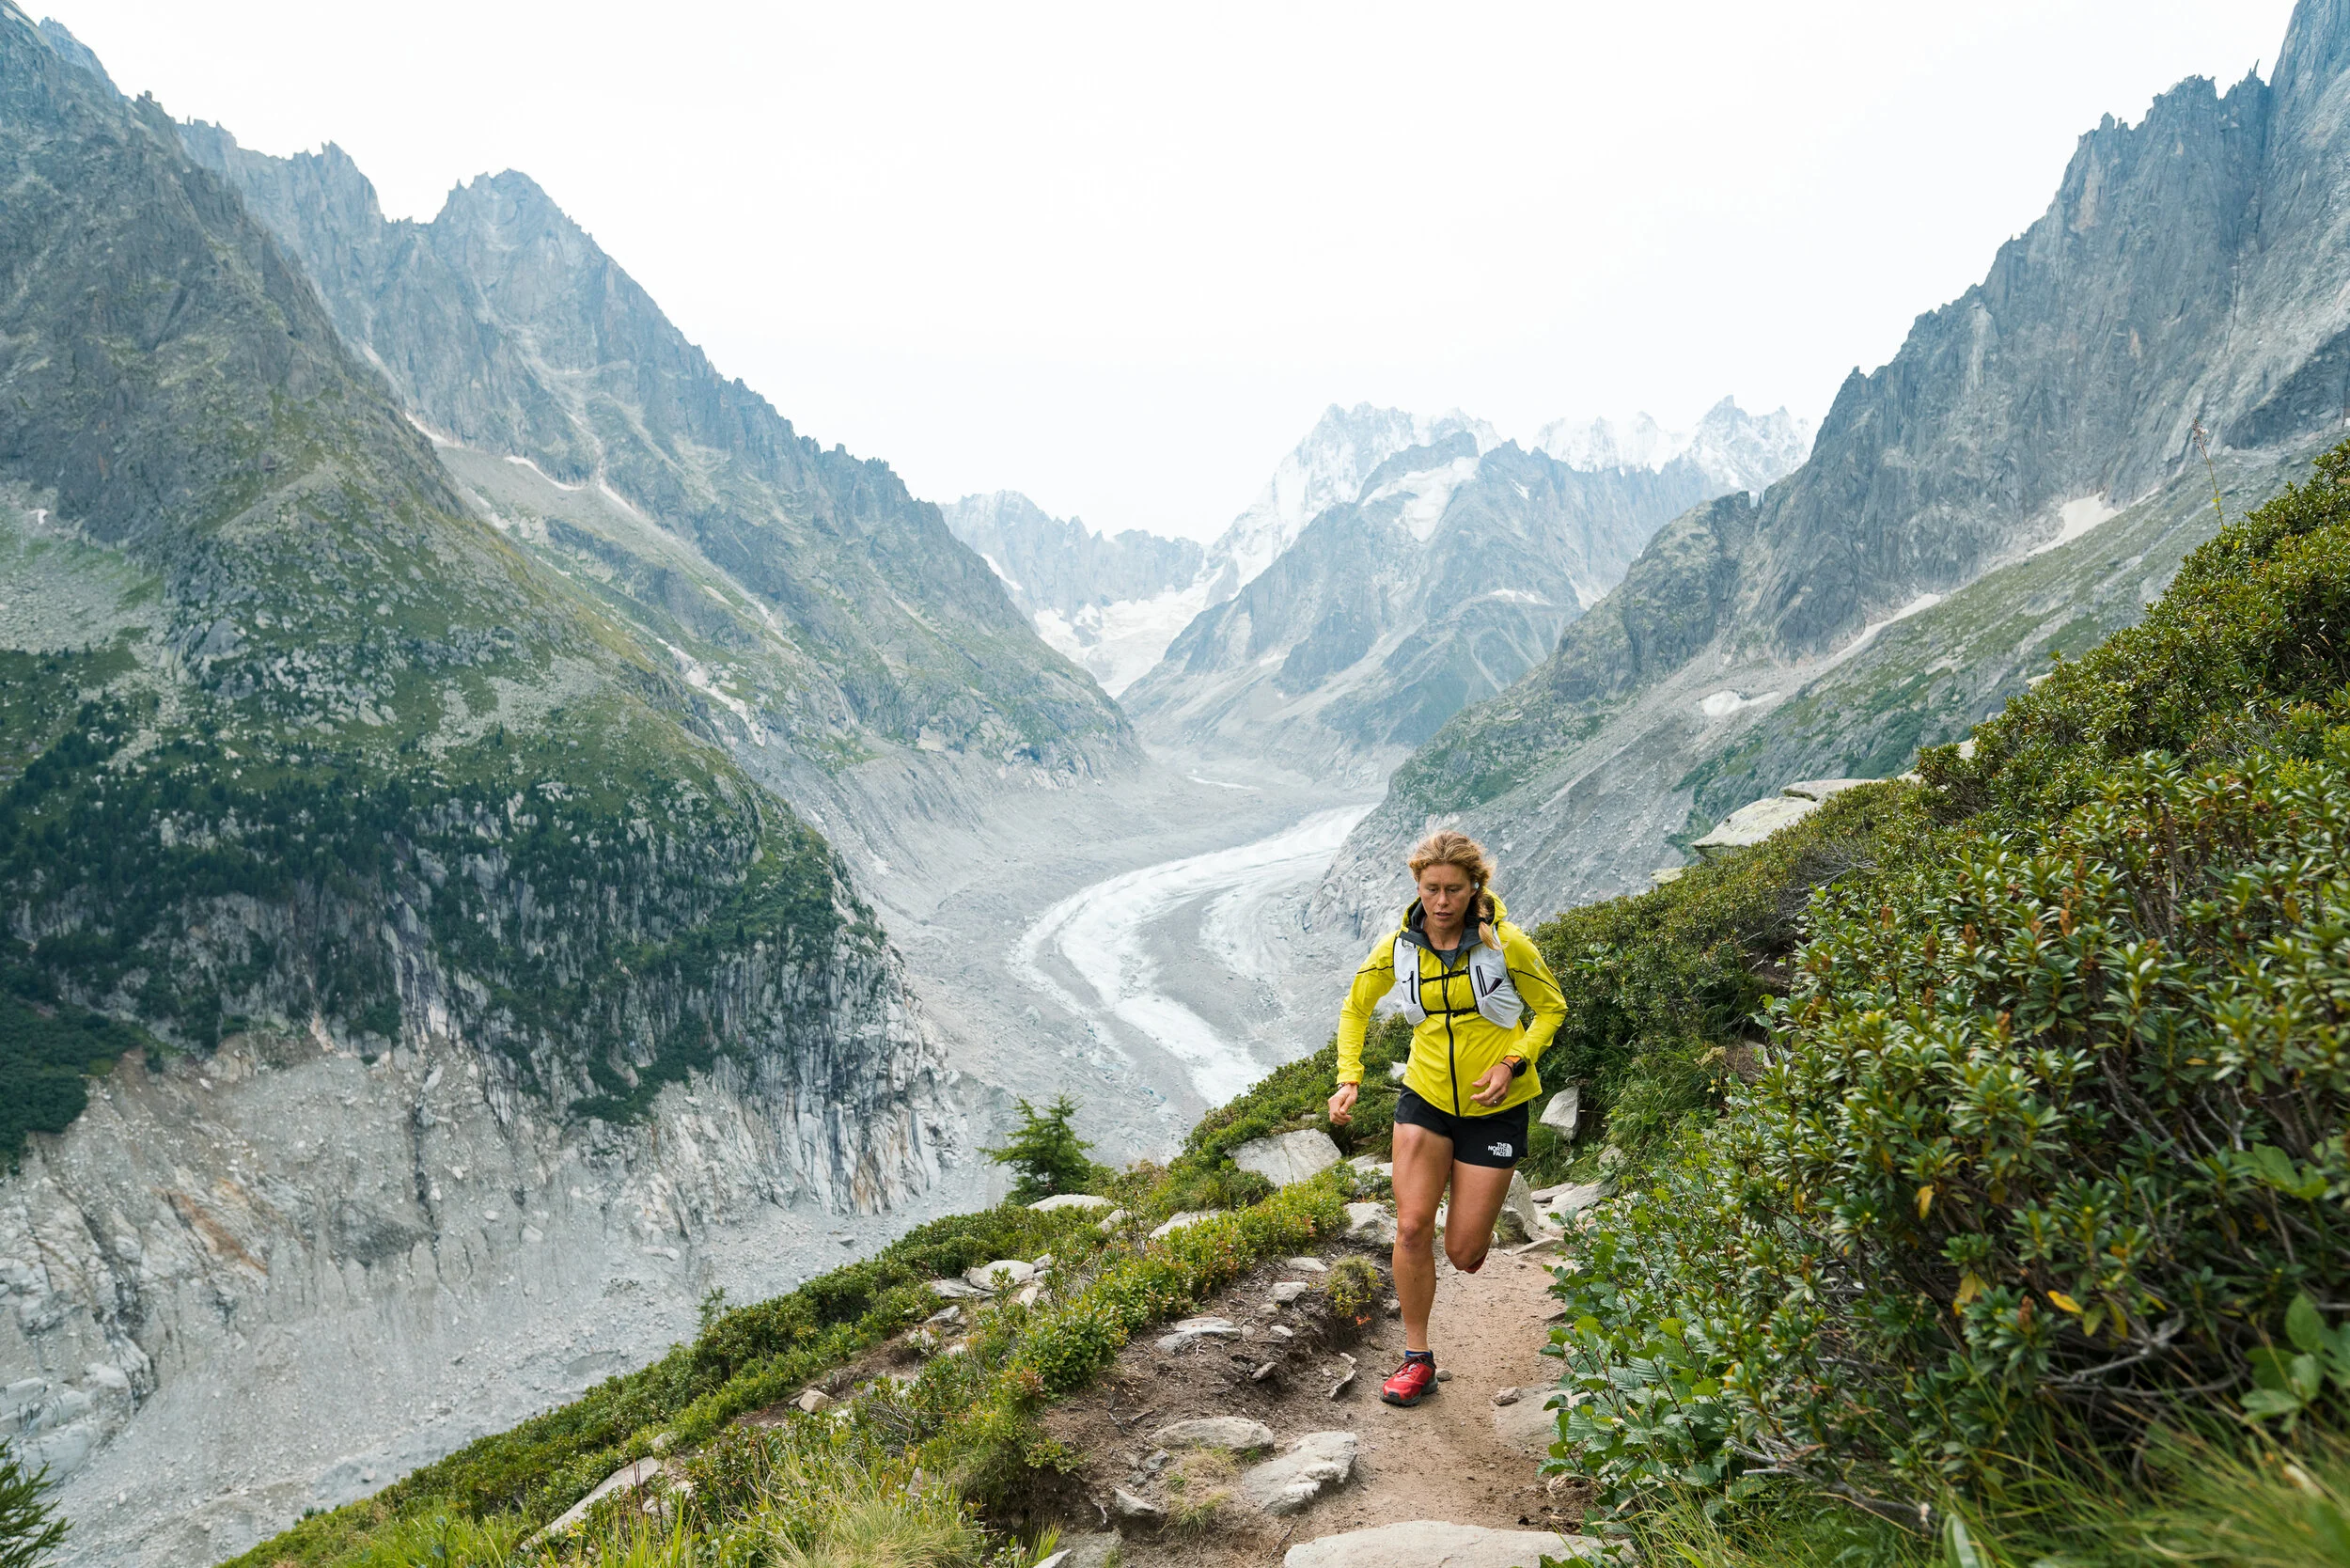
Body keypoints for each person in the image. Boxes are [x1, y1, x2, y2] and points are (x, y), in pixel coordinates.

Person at [1326, 829, 1566, 1407]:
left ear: (1473, 888)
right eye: (1431, 889)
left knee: (1463, 1252)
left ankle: (1475, 1209)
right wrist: (1349, 1075)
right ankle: (1417, 1360)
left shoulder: (1507, 945)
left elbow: (1551, 1007)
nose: (1441, 901)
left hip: (1495, 1106)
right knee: (1410, 1228)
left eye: (1453, 890)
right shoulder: (1398, 948)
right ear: (1417, 886)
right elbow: (1356, 1006)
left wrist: (1514, 1061)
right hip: (1425, 1098)